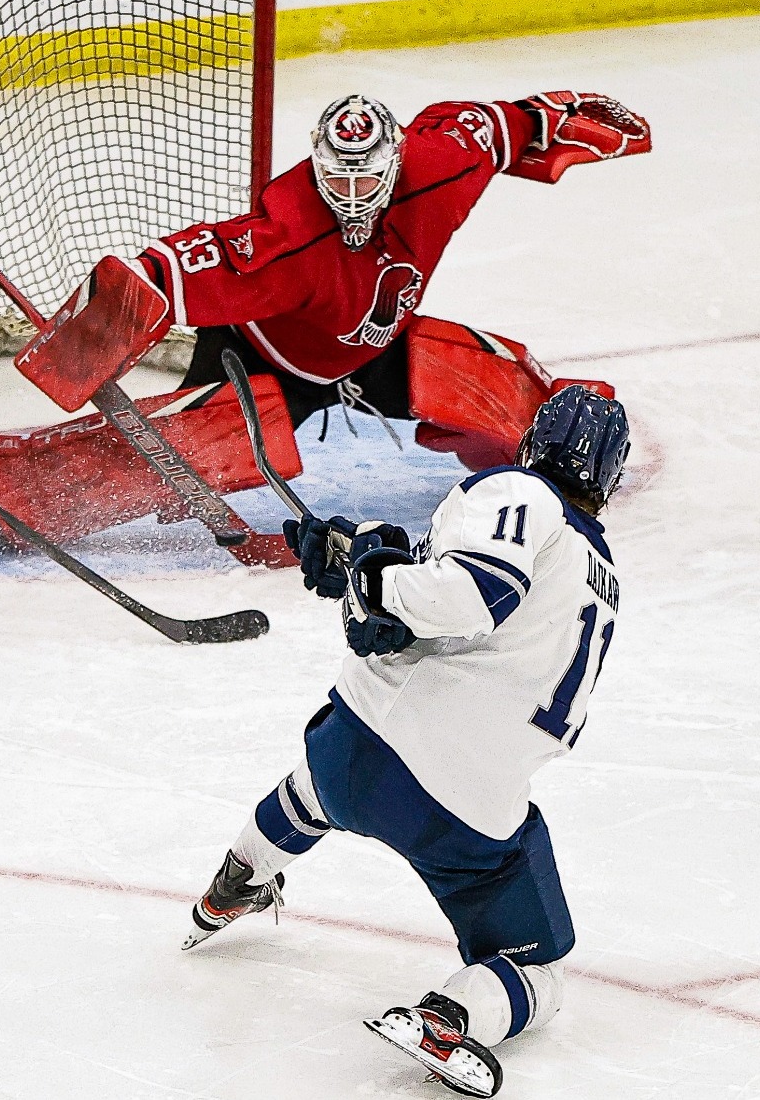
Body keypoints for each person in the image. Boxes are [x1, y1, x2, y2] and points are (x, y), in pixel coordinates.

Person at [180, 386, 631, 1099]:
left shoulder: (518, 491)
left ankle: (237, 875)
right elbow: (463, 602)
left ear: (533, 442)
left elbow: (461, 595)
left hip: (355, 753)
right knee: (537, 972)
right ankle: (448, 1015)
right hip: (468, 810)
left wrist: (372, 576)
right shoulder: (602, 580)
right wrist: (366, 561)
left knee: (313, 788)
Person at [0, 92, 645, 548]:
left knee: (486, 378)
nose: (350, 197)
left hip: (372, 348)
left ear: (397, 163)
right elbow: (172, 268)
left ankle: (566, 442)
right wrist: (99, 325)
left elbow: (494, 127)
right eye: (337, 180)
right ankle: (24, 496)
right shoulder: (285, 234)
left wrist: (550, 113)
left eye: (366, 181)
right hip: (262, 359)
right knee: (182, 455)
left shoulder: (439, 168)